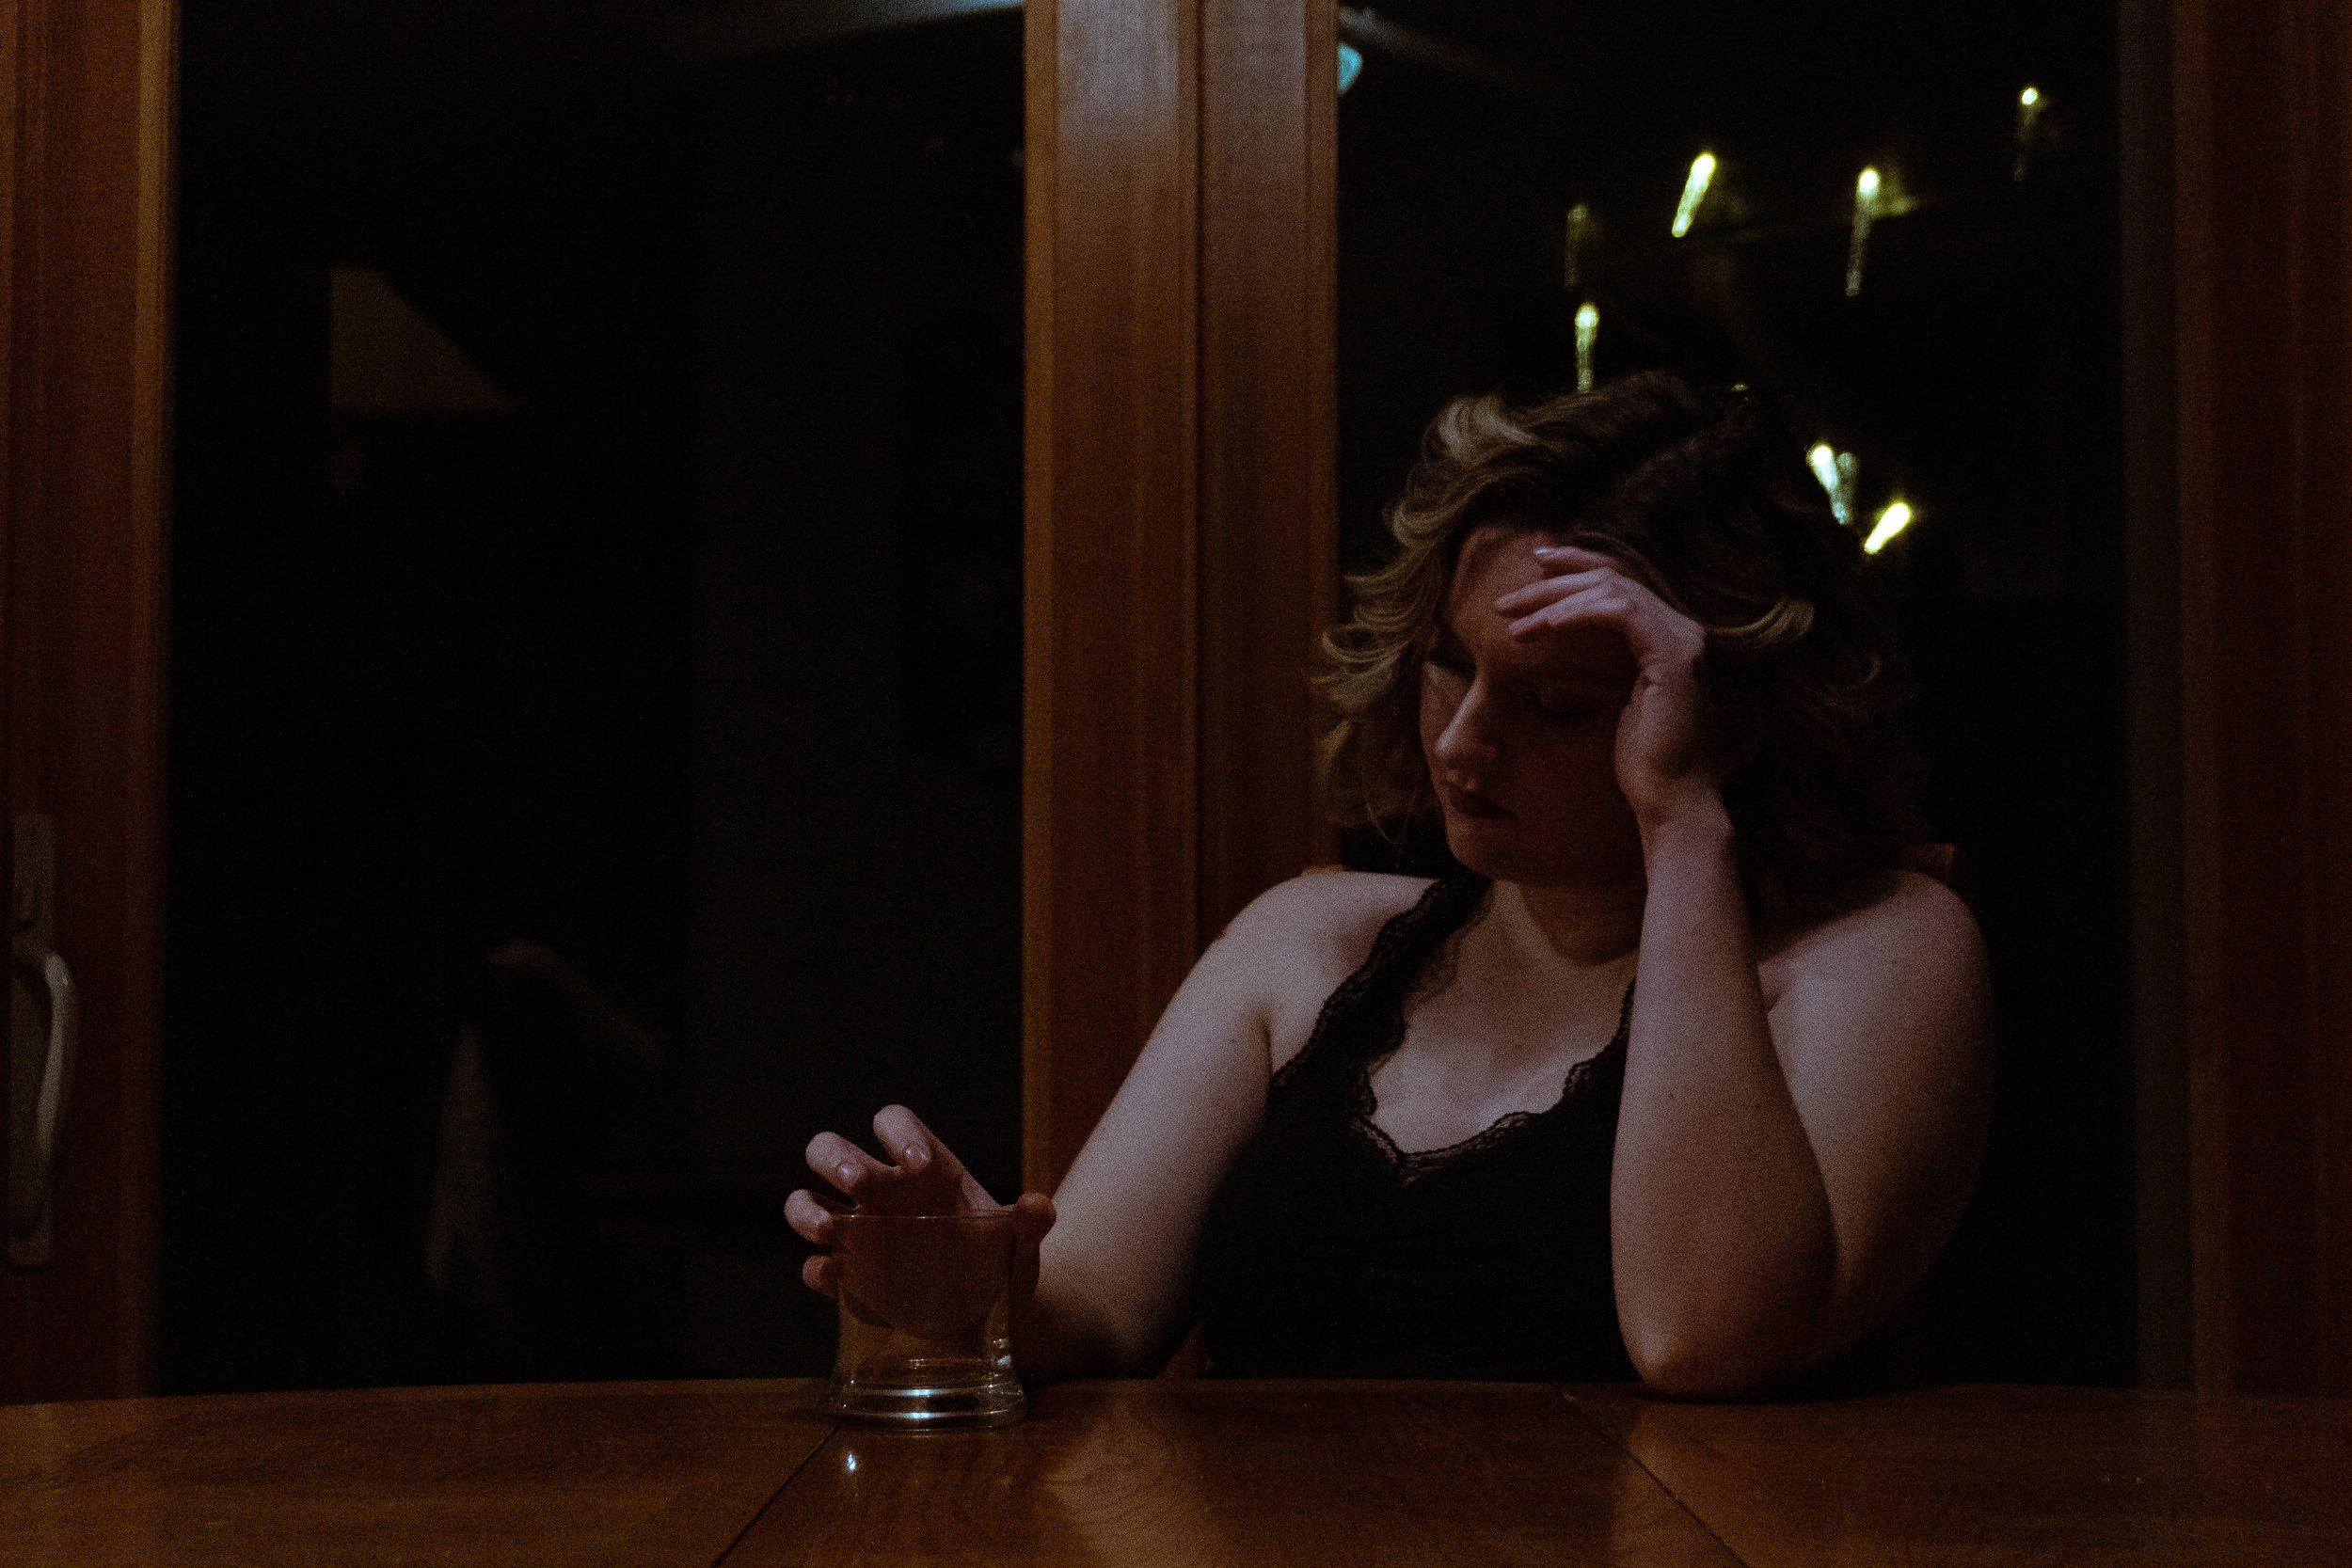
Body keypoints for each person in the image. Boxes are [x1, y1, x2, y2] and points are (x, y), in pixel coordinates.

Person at [787, 371, 1994, 1397]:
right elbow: (1096, 1307)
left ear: (1729, 718)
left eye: (1559, 704)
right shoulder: (1309, 940)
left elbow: (1704, 1334)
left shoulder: (1881, 949)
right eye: (1448, 664)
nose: (1464, 741)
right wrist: (973, 1283)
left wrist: (1682, 819)